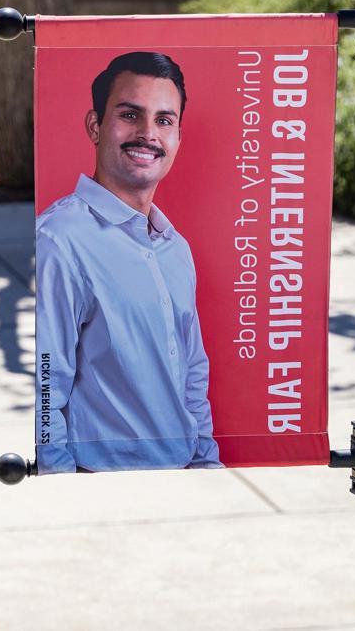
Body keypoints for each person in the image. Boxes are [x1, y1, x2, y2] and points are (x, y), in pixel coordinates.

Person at [35, 52, 220, 474]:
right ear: (95, 126)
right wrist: (63, 487)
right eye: (130, 114)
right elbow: (44, 386)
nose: (147, 134)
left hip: (184, 480)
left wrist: (207, 464)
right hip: (102, 489)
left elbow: (191, 373)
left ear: (177, 139)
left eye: (163, 120)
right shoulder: (59, 241)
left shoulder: (175, 248)